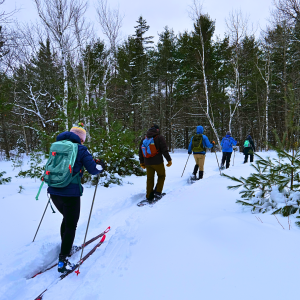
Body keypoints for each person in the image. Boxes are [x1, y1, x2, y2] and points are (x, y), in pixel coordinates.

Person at [48, 124, 105, 273]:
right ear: (81, 139)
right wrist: (101, 165)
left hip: (53, 191)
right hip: (70, 193)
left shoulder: (56, 146)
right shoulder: (81, 149)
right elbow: (93, 170)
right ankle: (63, 260)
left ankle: (65, 246)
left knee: (66, 220)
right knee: (71, 225)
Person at [139, 124, 172, 201]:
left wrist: (142, 162)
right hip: (158, 162)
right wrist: (169, 160)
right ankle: (157, 193)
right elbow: (164, 150)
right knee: (161, 176)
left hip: (147, 162)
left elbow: (140, 151)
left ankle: (149, 196)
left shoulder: (144, 138)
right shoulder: (159, 137)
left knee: (150, 179)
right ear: (157, 130)